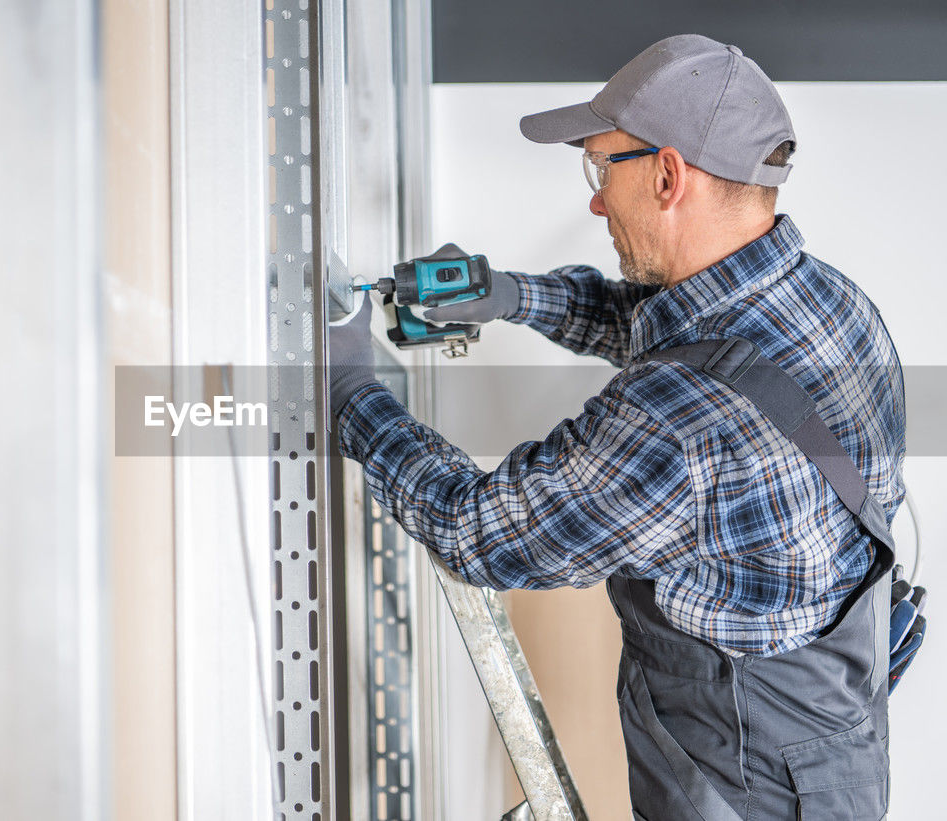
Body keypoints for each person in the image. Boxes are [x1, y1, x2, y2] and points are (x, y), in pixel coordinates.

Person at [328, 34, 905, 820]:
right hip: (839, 758)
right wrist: (508, 295)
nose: (596, 199)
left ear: (668, 176)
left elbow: (479, 531)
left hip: (751, 792)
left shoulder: (682, 426)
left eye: (604, 168)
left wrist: (350, 391)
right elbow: (678, 331)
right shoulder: (831, 304)